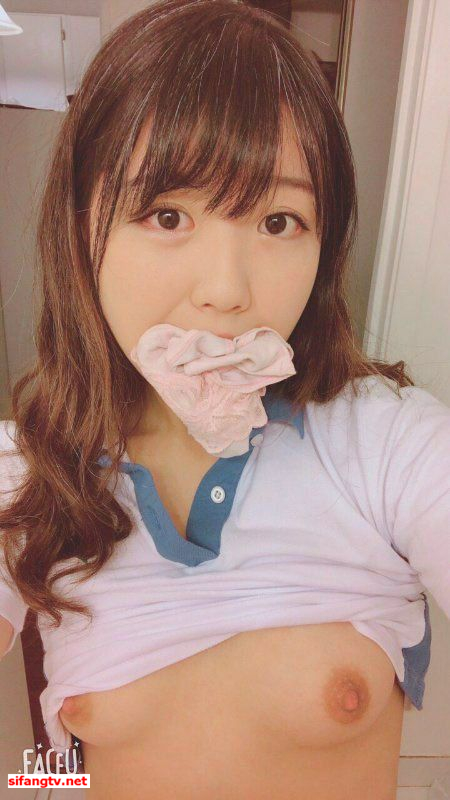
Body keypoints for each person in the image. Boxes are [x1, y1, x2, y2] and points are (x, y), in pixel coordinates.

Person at [1, 0, 449, 797]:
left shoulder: (387, 445)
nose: (227, 290)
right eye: (167, 214)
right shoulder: (29, 474)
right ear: (81, 230)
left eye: (279, 221)